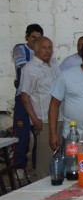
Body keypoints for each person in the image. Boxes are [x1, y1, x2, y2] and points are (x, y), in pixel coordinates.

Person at [18, 37, 61, 179]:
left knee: (58, 156)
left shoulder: (54, 64)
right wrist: (34, 119)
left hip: (60, 118)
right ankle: (43, 188)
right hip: (44, 120)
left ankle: (58, 186)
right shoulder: (30, 68)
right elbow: (25, 97)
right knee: (45, 159)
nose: (47, 51)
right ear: (36, 49)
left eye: (50, 47)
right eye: (43, 47)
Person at [12, 24, 43, 171]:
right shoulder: (20, 49)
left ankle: (38, 167)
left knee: (40, 136)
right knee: (22, 136)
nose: (35, 41)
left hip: (39, 99)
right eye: (33, 37)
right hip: (23, 97)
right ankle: (19, 168)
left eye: (39, 38)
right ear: (27, 36)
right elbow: (26, 68)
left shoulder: (45, 53)